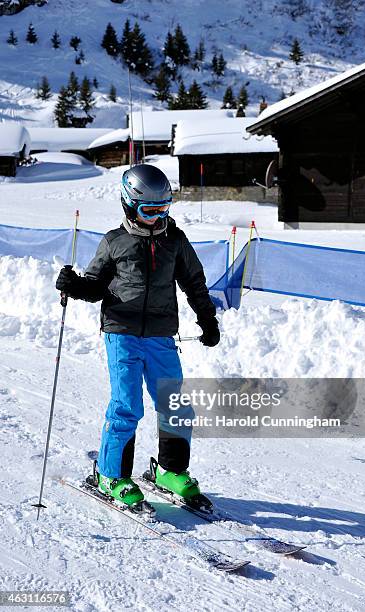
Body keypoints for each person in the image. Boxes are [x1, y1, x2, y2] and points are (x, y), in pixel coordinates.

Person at [56, 164, 220, 512]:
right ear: (129, 205)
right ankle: (111, 474)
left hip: (161, 335)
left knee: (175, 405)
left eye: (164, 209)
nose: (158, 217)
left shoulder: (174, 241)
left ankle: (170, 471)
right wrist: (75, 285)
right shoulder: (115, 242)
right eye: (150, 211)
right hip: (122, 333)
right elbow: (96, 286)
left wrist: (207, 319)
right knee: (127, 406)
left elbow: (194, 281)